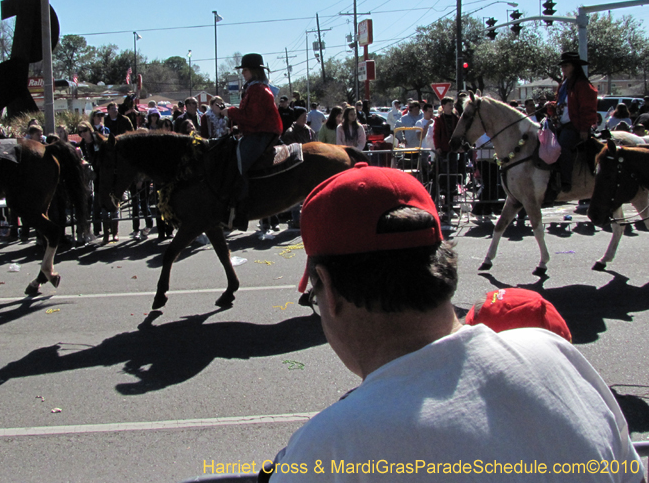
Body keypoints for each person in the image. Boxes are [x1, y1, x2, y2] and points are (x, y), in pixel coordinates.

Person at [263, 164, 643, 482]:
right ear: (442, 263)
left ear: (328, 290)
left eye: (312, 296)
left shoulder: (326, 451)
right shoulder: (557, 354)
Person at [226, 53, 283, 231]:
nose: (243, 73)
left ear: (254, 71)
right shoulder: (255, 88)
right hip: (258, 132)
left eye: (245, 70)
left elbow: (253, 118)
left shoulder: (257, 89)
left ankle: (241, 211)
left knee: (237, 165)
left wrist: (229, 112)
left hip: (261, 134)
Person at [556, 51, 597, 192]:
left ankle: (566, 181)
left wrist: (584, 128)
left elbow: (588, 108)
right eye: (562, 66)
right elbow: (560, 103)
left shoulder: (582, 85)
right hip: (561, 124)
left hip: (575, 126)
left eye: (566, 65)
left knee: (562, 147)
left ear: (574, 66)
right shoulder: (564, 84)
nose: (563, 69)